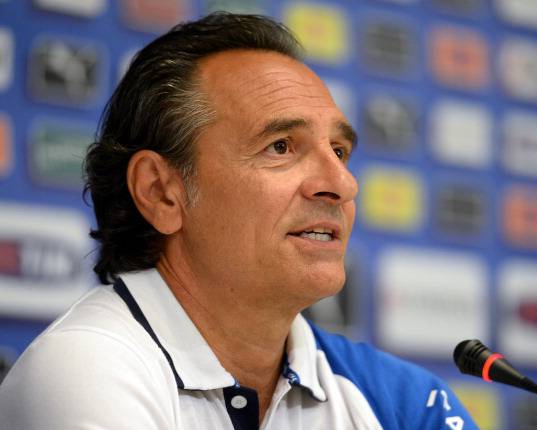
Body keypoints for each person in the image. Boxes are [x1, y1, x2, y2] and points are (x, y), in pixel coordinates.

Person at [0, 12, 476, 429]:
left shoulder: (402, 402)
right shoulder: (86, 368)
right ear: (161, 192)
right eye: (281, 147)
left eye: (339, 151)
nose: (342, 184)